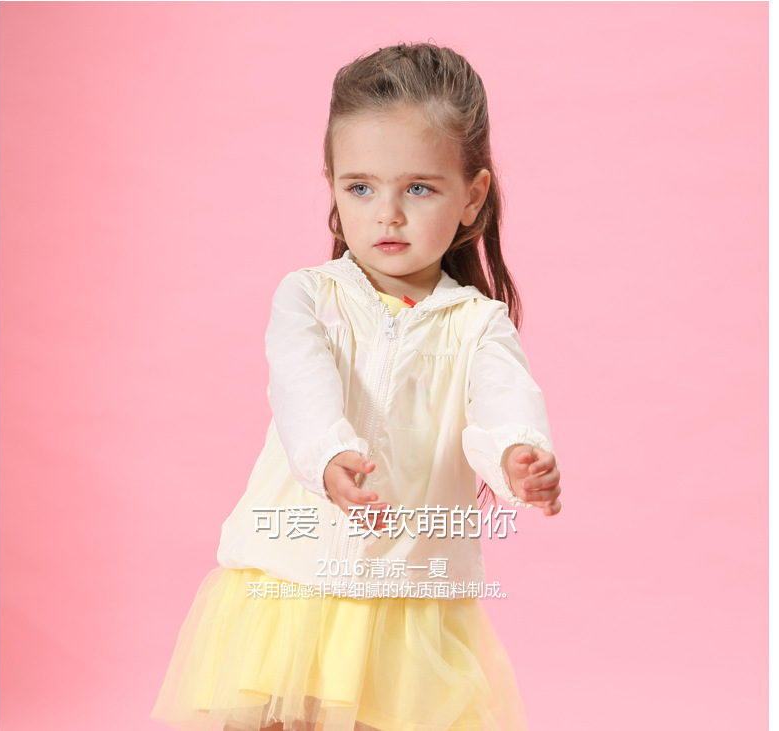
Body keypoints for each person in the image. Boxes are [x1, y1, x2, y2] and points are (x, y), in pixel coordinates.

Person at [150, 42, 562, 731]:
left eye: (419, 188)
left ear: (472, 196)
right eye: (361, 188)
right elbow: (301, 384)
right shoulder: (310, 297)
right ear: (334, 188)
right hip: (291, 584)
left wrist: (518, 454)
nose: (387, 214)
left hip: (409, 601)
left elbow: (503, 402)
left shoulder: (476, 324)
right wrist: (329, 454)